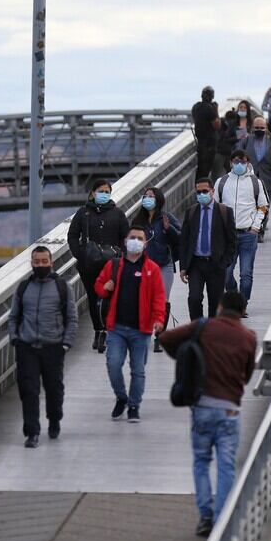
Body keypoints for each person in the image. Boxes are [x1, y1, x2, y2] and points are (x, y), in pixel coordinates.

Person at [158, 291, 256, 538]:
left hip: (202, 407)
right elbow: (246, 375)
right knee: (226, 466)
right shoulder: (248, 337)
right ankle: (223, 519)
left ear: (220, 306)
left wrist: (186, 357)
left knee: (201, 461)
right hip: (230, 410)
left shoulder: (204, 327)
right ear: (242, 311)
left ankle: (206, 516)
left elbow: (167, 338)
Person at [94, 225, 166, 423]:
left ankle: (134, 405)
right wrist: (104, 288)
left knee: (138, 370)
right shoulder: (114, 266)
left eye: (139, 238)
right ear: (125, 241)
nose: (135, 241)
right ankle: (121, 397)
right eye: (132, 237)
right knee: (113, 364)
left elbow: (158, 297)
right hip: (116, 327)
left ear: (145, 243)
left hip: (141, 329)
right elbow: (98, 286)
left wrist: (159, 319)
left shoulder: (152, 270)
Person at [8, 246, 78, 448]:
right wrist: (15, 339)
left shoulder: (62, 287)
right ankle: (32, 432)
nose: (40, 265)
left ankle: (54, 420)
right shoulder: (23, 288)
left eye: (43, 261)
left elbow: (71, 318)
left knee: (54, 389)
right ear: (31, 263)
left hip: (53, 346)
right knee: (29, 390)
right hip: (27, 346)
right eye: (36, 262)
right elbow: (13, 317)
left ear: (51, 263)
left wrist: (66, 343)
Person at [67, 179, 129, 352]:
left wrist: (121, 256)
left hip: (112, 264)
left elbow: (126, 236)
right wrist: (79, 253)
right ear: (93, 193)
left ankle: (110, 330)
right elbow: (72, 235)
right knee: (93, 297)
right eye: (101, 191)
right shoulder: (83, 213)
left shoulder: (117, 214)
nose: (104, 194)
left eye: (107, 191)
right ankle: (99, 331)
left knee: (110, 297)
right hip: (89, 264)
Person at [214, 150, 269, 314]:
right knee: (226, 272)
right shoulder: (221, 182)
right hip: (228, 235)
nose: (239, 164)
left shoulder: (255, 182)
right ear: (231, 163)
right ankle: (234, 295)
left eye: (242, 161)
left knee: (246, 274)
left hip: (248, 234)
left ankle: (242, 305)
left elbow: (263, 206)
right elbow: (215, 207)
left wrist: (255, 227)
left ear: (247, 163)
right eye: (236, 161)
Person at [179, 178, 237, 321]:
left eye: (205, 191)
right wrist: (183, 267)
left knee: (215, 302)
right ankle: (196, 328)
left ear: (212, 191)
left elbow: (232, 240)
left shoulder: (225, 212)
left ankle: (212, 332)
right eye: (198, 192)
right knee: (194, 298)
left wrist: (225, 262)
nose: (201, 194)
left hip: (216, 264)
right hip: (196, 264)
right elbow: (184, 241)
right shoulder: (191, 212)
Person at [131, 187, 181, 352]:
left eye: (151, 196)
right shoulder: (138, 220)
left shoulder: (166, 218)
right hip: (143, 265)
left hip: (164, 264)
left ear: (158, 199)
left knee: (162, 300)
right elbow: (129, 241)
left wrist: (168, 229)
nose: (147, 199)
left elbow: (180, 238)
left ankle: (160, 335)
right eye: (145, 196)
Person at [240, 116, 271, 239]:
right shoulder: (246, 140)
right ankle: (251, 228)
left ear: (266, 128)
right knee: (250, 205)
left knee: (264, 206)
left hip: (266, 178)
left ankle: (261, 231)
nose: (259, 130)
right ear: (252, 128)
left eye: (261, 128)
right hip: (249, 179)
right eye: (256, 128)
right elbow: (238, 158)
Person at [192, 86, 221, 181]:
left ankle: (198, 191)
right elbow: (217, 125)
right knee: (205, 171)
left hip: (200, 143)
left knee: (200, 171)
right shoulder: (210, 109)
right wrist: (216, 111)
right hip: (209, 145)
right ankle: (203, 190)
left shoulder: (196, 107)